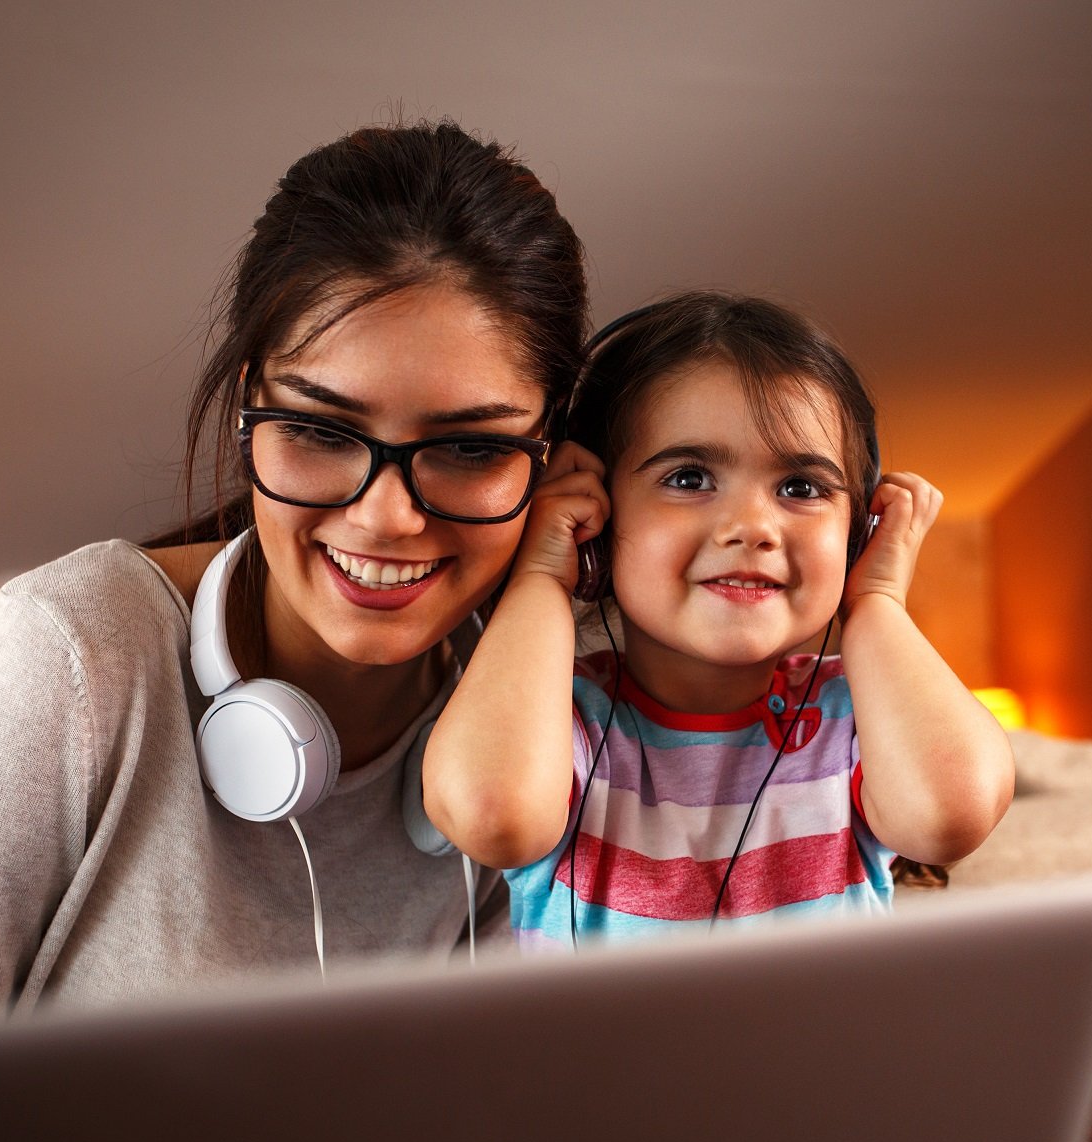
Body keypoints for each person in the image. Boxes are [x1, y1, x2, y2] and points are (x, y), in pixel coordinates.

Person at [0, 120, 588, 1039]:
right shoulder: (71, 652)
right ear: (250, 408)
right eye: (323, 432)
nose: (387, 517)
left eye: (468, 448)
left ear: (552, 455)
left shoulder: (538, 713)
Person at [423, 291, 1013, 947]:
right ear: (597, 516)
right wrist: (541, 575)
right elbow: (488, 813)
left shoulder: (854, 717)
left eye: (800, 488)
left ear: (855, 534)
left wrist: (875, 600)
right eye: (688, 477)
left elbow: (952, 814)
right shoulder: (558, 722)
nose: (753, 527)